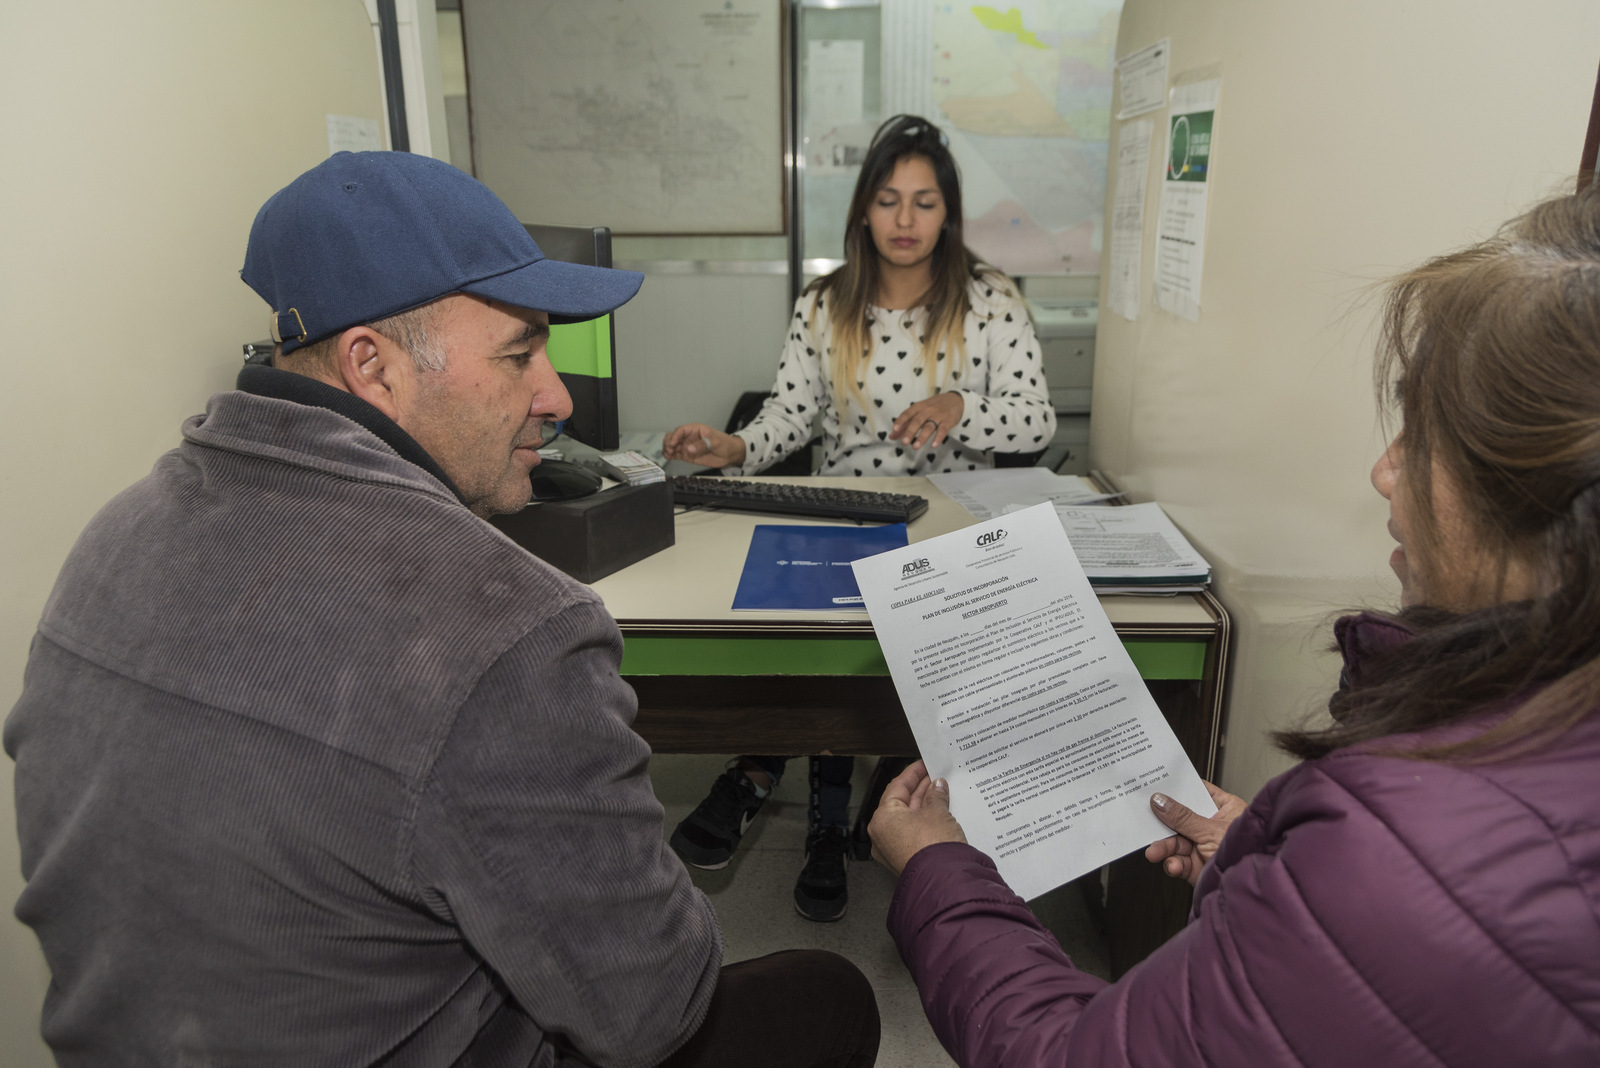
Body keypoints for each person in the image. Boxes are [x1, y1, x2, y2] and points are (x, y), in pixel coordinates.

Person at [4, 151, 879, 1068]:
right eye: (520, 353)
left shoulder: (109, 540)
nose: (557, 395)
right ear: (372, 367)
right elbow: (655, 1007)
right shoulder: (506, 628)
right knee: (829, 998)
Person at [866, 185, 1600, 1066]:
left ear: (1528, 502)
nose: (1382, 470)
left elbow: (1069, 1055)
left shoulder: (1397, 853)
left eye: (1424, 433)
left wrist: (938, 870)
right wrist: (1269, 865)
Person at [661, 116, 1056, 923]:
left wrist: (960, 406)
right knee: (814, 638)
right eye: (888, 201)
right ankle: (815, 812)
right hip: (844, 516)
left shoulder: (989, 300)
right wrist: (732, 445)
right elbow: (790, 418)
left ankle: (771, 779)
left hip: (945, 531)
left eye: (924, 202)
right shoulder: (825, 302)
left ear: (948, 213)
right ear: (864, 210)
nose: (906, 221)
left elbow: (1038, 423)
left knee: (886, 646)